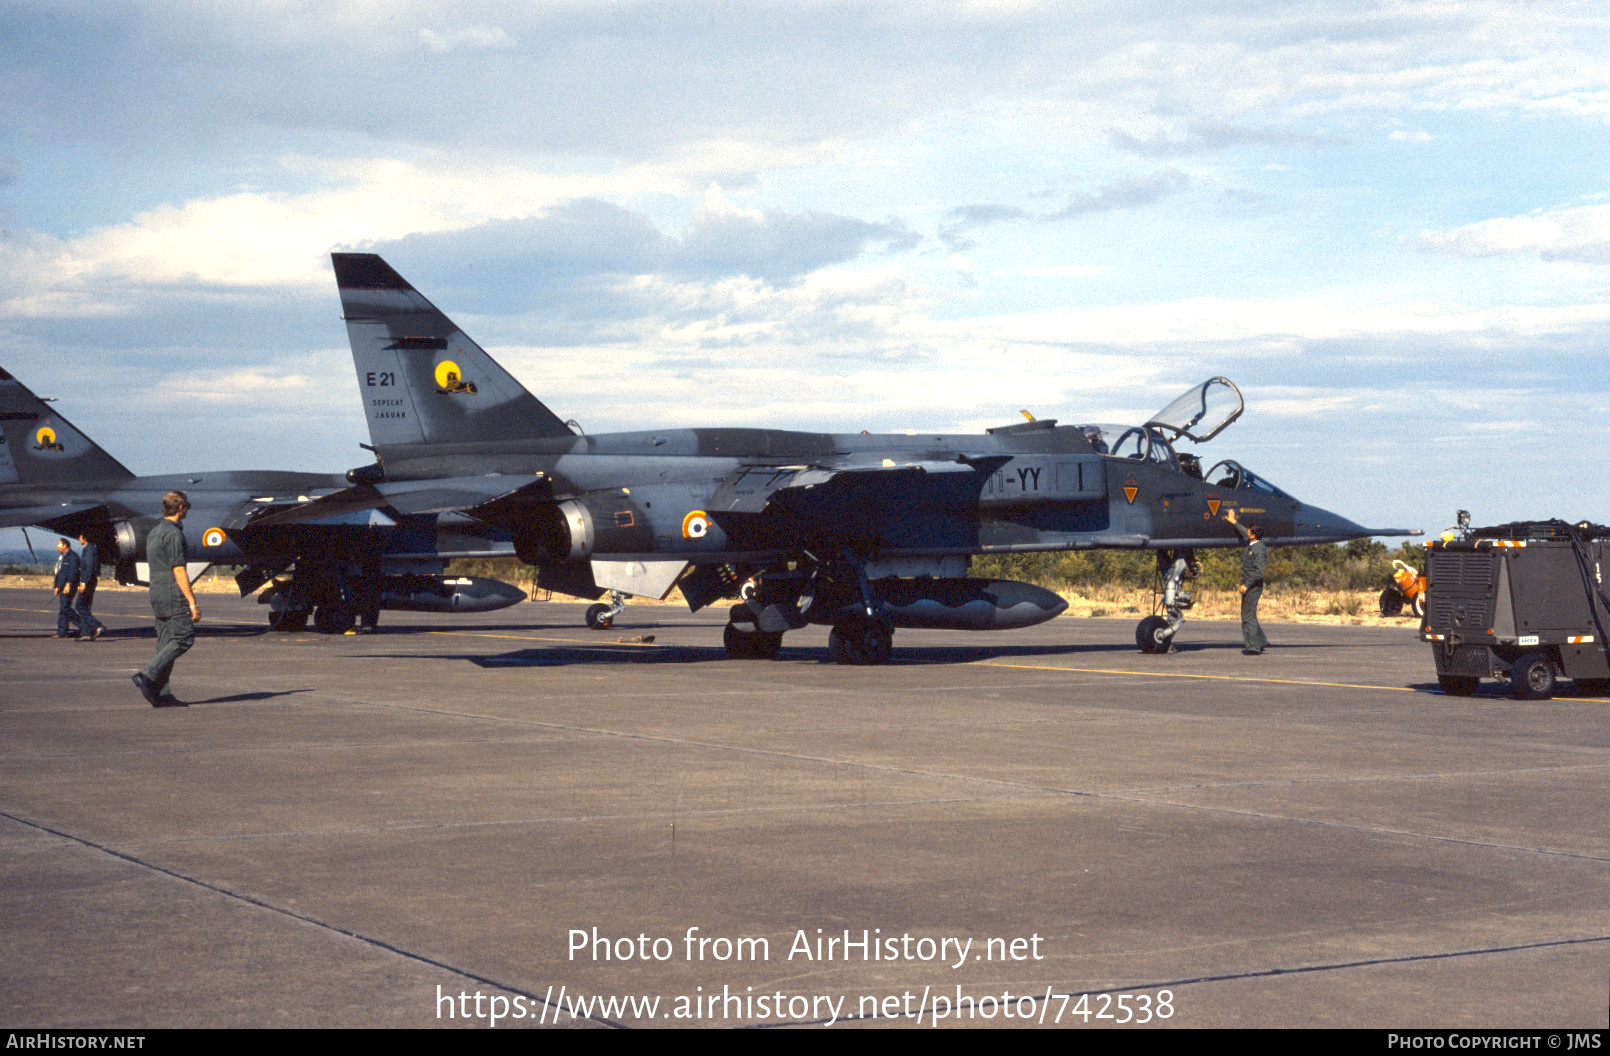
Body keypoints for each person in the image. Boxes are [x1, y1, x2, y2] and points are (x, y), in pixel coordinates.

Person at [132, 491, 199, 708]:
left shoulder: (154, 532)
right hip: (172, 594)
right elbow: (178, 570)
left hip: (157, 593)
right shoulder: (173, 534)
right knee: (183, 638)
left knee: (164, 644)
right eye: (187, 505)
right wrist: (191, 602)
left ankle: (161, 694)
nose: (188, 508)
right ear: (180, 508)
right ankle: (147, 675)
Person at [1224, 507, 1267, 655]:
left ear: (1254, 535)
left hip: (1252, 587)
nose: (1247, 532)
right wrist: (1233, 521)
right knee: (1249, 615)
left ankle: (1253, 647)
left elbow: (1259, 572)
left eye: (1249, 532)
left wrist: (1246, 585)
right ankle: (1260, 641)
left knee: (1247, 617)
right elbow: (1243, 531)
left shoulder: (1258, 549)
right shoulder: (1253, 544)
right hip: (1249, 586)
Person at [74, 532, 105, 642]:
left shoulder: (89, 550)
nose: (79, 538)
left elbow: (89, 567)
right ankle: (86, 633)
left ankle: (97, 625)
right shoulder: (92, 548)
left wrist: (83, 583)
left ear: (85, 538)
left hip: (88, 581)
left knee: (80, 606)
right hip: (91, 580)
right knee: (85, 607)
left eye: (80, 536)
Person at [51, 538, 81, 639]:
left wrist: (68, 584)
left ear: (65, 545)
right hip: (62, 586)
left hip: (69, 587)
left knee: (65, 608)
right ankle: (61, 632)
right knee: (63, 608)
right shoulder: (62, 557)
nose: (57, 548)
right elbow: (60, 573)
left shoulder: (72, 556)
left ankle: (85, 627)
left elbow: (74, 572)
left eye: (59, 546)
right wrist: (57, 586)